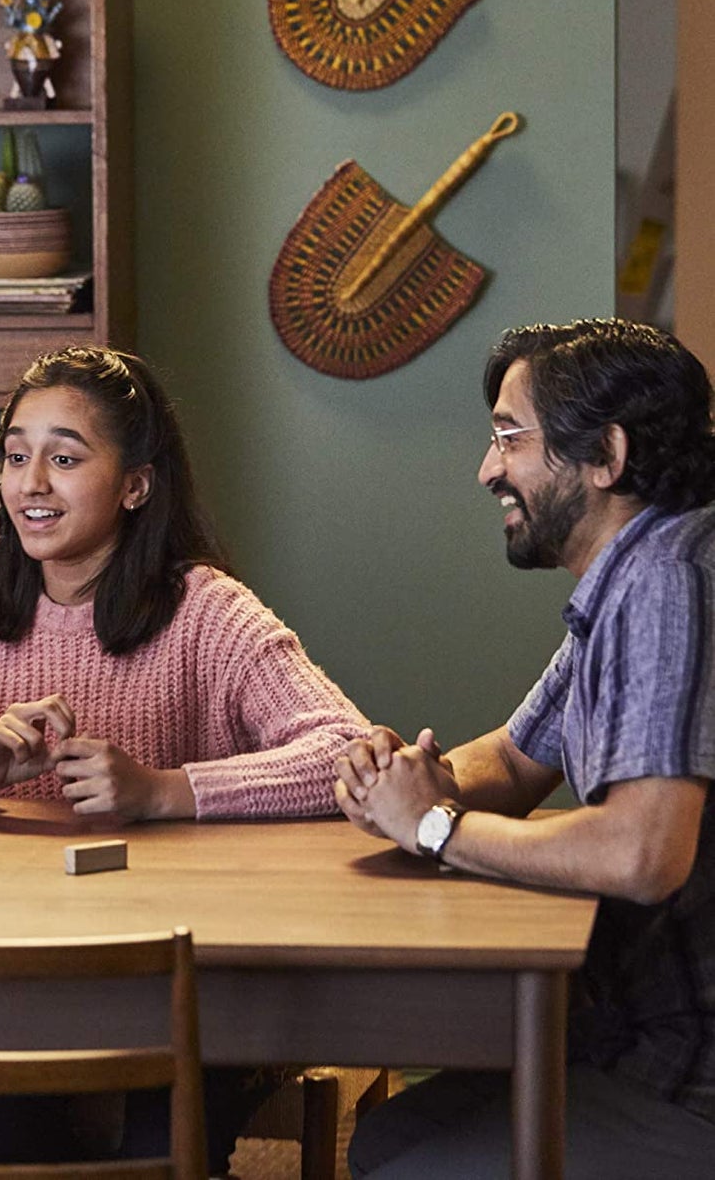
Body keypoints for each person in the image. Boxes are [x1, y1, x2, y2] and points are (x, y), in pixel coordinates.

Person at [0, 344, 369, 1169]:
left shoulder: (204, 608)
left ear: (136, 483)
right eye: (15, 456)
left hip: (189, 975)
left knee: (167, 1144)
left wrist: (164, 790)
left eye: (63, 458)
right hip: (18, 972)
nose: (30, 484)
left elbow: (345, 749)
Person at [335, 319, 715, 1180]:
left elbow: (642, 851)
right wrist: (412, 781)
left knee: (399, 1169)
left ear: (603, 455)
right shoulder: (623, 580)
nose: (486, 468)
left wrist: (430, 826)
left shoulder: (667, 584)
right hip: (626, 1031)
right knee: (385, 1139)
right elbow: (511, 760)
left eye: (510, 437)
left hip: (689, 1078)